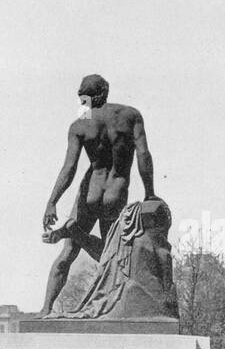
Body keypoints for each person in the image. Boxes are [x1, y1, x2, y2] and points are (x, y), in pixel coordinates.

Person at [39, 74, 157, 316]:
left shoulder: (80, 125)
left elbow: (69, 168)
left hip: (89, 191)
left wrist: (52, 202)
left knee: (67, 255)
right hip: (116, 192)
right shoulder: (130, 116)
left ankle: (45, 309)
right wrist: (150, 193)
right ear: (105, 91)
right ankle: (75, 232)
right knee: (109, 256)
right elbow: (144, 155)